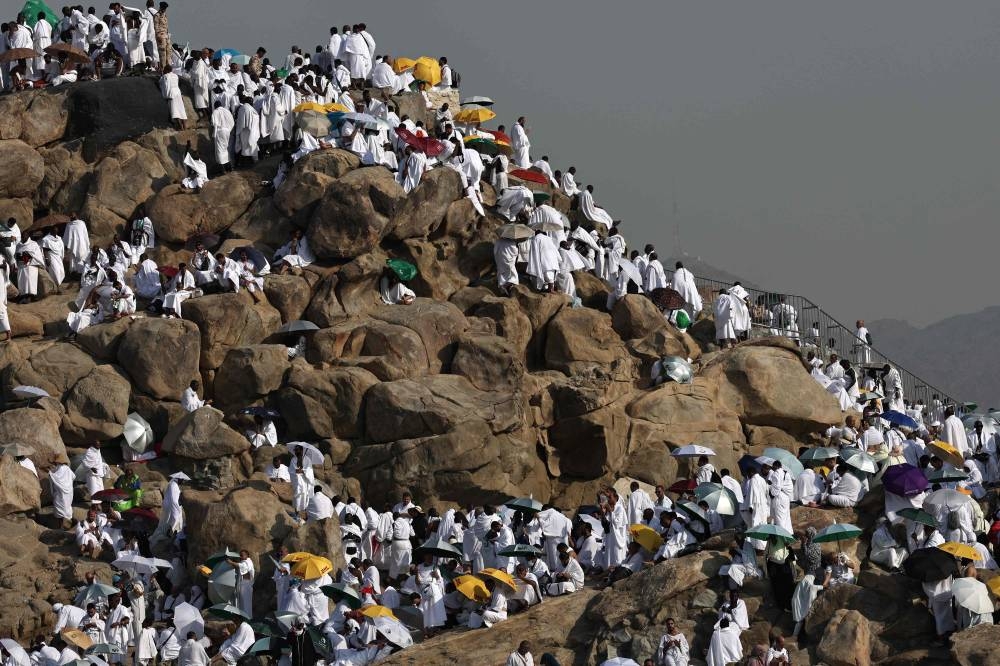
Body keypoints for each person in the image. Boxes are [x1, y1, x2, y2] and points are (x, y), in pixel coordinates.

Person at [159, 64, 186, 129]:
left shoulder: (165, 76)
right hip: (178, 93)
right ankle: (185, 126)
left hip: (171, 94)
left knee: (175, 111)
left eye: (164, 70)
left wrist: (166, 96)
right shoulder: (175, 76)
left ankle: (180, 127)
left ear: (166, 70)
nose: (163, 71)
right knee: (181, 110)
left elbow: (166, 86)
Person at [211, 100, 234, 171]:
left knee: (220, 150)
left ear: (215, 106)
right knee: (225, 149)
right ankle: (230, 167)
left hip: (220, 131)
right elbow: (232, 122)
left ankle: (223, 169)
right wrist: (229, 130)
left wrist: (214, 133)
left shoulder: (215, 112)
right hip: (227, 131)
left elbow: (214, 123)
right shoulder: (227, 111)